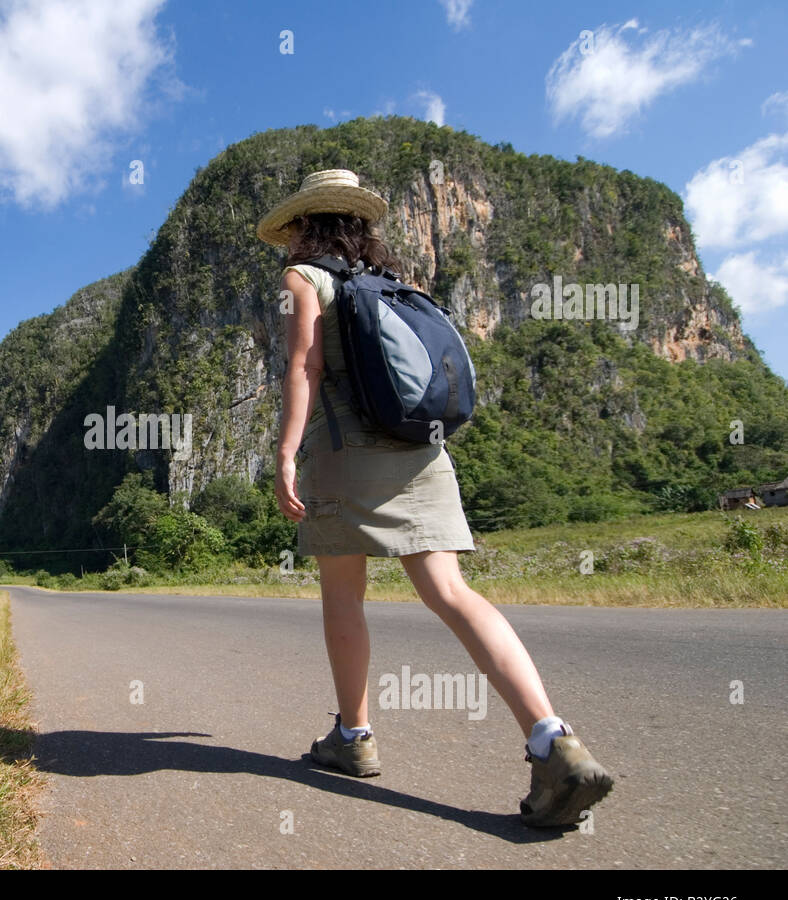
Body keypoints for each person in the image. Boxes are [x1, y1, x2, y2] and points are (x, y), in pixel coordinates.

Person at [257, 169, 613, 827]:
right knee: (452, 594)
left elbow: (304, 368)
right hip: (424, 454)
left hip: (346, 460)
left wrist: (284, 453)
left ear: (306, 225)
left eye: (294, 229)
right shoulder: (403, 287)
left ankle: (354, 738)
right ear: (359, 226)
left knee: (343, 599)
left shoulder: (302, 281)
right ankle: (552, 739)